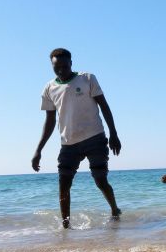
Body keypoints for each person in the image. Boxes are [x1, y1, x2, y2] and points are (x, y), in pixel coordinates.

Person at [31, 48, 122, 229]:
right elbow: (49, 122)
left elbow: (104, 106)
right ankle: (66, 226)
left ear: (71, 63)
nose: (61, 70)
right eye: (57, 67)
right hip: (68, 144)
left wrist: (113, 133)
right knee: (63, 185)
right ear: (52, 66)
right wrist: (38, 150)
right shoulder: (49, 89)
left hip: (95, 138)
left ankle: (114, 209)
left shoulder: (87, 78)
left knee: (100, 181)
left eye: (65, 66)